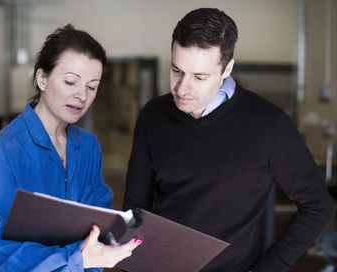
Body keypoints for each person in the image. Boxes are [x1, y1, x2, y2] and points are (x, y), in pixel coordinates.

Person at [123, 8, 334, 272]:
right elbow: (135, 207)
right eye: (177, 70)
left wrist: (270, 266)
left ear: (227, 68)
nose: (181, 88)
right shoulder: (152, 116)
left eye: (199, 77)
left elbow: (317, 206)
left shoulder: (269, 125)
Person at [0, 24, 142, 272]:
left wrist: (123, 236)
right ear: (42, 78)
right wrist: (79, 259)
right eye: (71, 82)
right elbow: (0, 256)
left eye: (92, 86)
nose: (82, 95)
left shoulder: (88, 147)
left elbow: (100, 215)